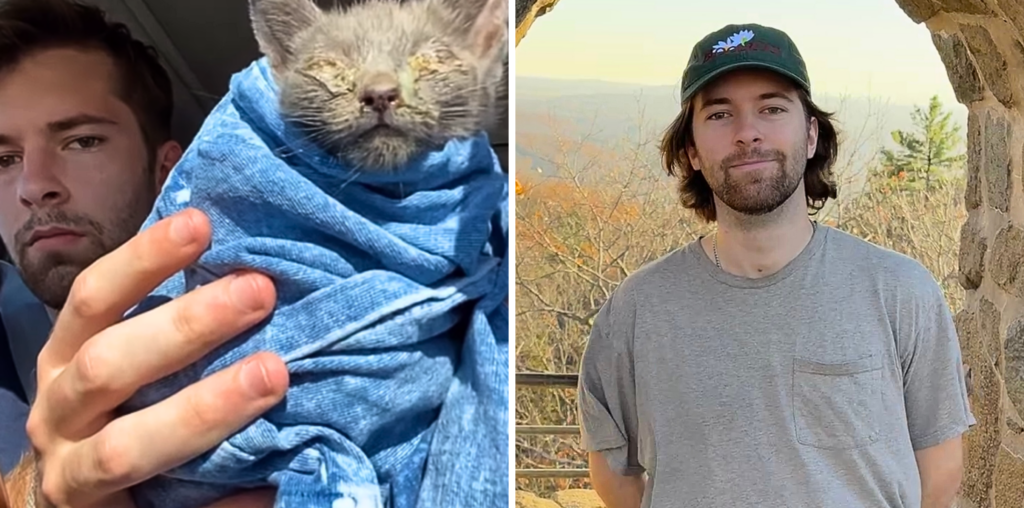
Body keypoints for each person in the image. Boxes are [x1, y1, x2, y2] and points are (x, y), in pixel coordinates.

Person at [577, 23, 975, 508]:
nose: (748, 133)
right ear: (692, 152)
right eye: (720, 114)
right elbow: (615, 477)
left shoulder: (899, 291)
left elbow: (940, 470)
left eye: (772, 108)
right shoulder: (637, 310)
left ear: (810, 135)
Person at [0, 0, 289, 506]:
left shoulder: (276, 307)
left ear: (167, 173)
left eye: (81, 141)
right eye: (3, 159)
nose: (34, 185)